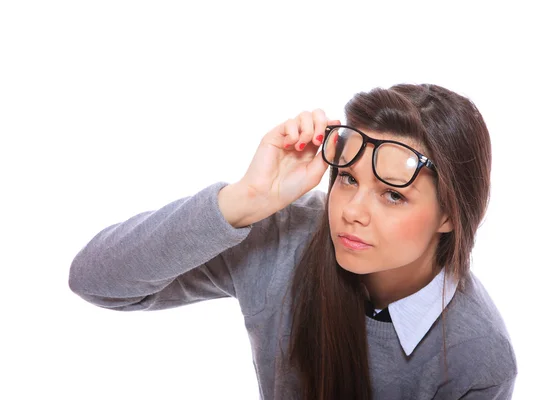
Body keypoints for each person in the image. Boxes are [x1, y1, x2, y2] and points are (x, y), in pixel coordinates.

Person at [69, 83, 517, 399]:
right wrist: (243, 201)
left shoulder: (477, 355)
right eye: (346, 178)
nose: (352, 211)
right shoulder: (285, 239)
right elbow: (96, 280)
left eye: (393, 195)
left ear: (449, 215)